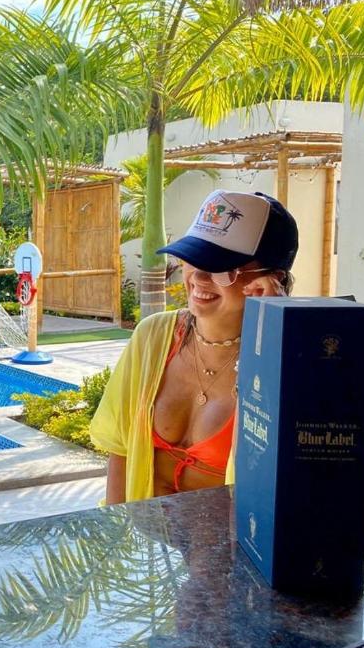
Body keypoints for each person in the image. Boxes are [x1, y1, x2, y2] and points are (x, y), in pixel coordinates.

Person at [90, 190, 297, 503]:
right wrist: (123, 534)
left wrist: (272, 327)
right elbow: (121, 451)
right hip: (150, 544)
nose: (198, 278)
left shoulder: (280, 359)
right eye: (192, 258)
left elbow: (290, 475)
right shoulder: (154, 337)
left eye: (220, 267)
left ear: (270, 279)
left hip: (231, 546)